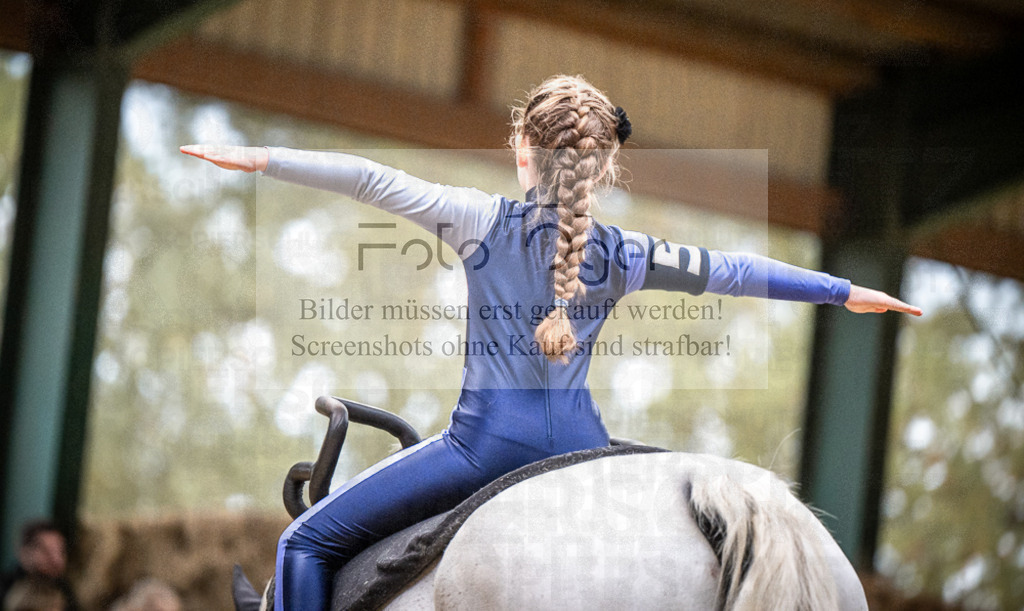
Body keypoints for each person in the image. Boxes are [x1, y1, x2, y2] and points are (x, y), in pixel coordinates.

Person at [181, 74, 921, 610]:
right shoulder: (627, 252)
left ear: (522, 153)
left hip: (484, 450)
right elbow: (734, 271)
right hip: (583, 446)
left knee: (303, 543)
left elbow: (370, 179)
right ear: (603, 168)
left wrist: (263, 158)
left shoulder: (478, 219)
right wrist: (841, 290)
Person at [0, 521, 77, 611]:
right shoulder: (5, 587)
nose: (57, 560)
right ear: (24, 552)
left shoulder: (65, 590)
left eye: (61, 552)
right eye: (46, 552)